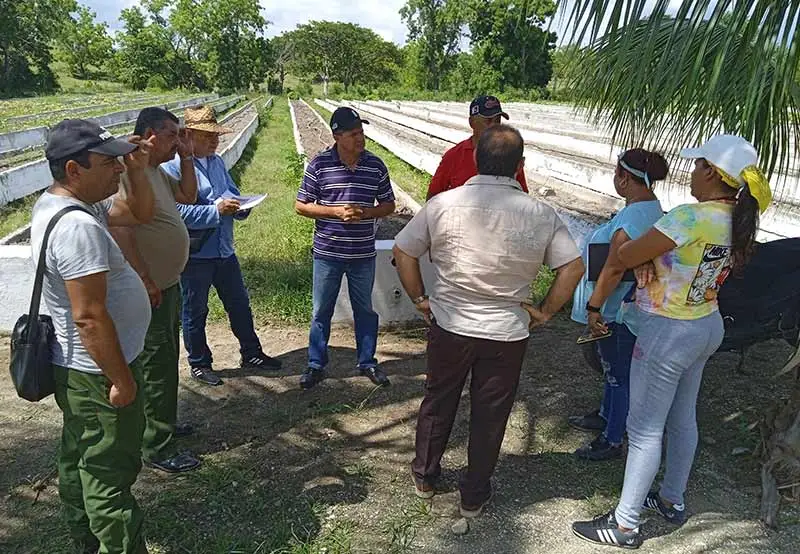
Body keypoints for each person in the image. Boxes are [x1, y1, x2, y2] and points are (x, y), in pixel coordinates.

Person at [572, 135, 772, 548]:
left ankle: (624, 523)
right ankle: (671, 499)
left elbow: (623, 255)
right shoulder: (737, 218)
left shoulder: (690, 217)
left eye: (698, 165)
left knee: (644, 429)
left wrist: (638, 255)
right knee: (683, 417)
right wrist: (650, 258)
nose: (692, 172)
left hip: (668, 332)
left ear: (714, 173)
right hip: (705, 324)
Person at [393, 125, 584, 525]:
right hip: (507, 331)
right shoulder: (540, 214)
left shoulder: (444, 204)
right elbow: (572, 267)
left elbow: (404, 251)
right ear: (520, 166)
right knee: (490, 414)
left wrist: (420, 299)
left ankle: (426, 478)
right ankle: (473, 496)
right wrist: (546, 311)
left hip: (450, 324)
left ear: (477, 159)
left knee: (438, 399)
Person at [33, 119, 155, 553]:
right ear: (74, 170)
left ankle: (84, 537)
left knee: (80, 455)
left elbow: (139, 213)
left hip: (80, 369)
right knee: (109, 470)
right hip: (99, 372)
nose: (117, 168)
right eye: (108, 162)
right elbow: (89, 316)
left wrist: (137, 169)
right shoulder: (77, 227)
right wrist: (121, 379)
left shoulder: (73, 207)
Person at [163, 105, 282, 386]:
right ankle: (199, 363)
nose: (215, 141)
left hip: (223, 249)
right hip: (195, 253)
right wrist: (216, 211)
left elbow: (231, 191)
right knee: (195, 310)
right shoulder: (170, 168)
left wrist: (241, 206)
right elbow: (175, 212)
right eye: (207, 137)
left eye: (216, 136)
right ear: (188, 136)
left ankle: (251, 353)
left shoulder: (216, 162)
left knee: (239, 303)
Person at [109, 107, 201, 474]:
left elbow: (189, 197)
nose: (177, 141)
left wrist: (188, 157)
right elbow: (122, 230)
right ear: (149, 134)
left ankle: (164, 422)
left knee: (165, 359)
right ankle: (157, 444)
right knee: (155, 365)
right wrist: (145, 278)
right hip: (149, 289)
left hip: (167, 284)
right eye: (172, 135)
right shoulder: (129, 174)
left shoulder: (156, 171)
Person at [568, 149, 667, 461]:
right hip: (620, 307)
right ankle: (606, 414)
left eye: (615, 173)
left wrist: (594, 307)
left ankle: (612, 439)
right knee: (611, 367)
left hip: (614, 311)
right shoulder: (648, 209)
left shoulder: (633, 220)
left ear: (624, 178)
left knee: (617, 373)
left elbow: (612, 267)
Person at [295, 107, 396, 390]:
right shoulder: (319, 165)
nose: (360, 138)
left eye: (361, 132)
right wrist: (336, 212)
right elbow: (301, 205)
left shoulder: (375, 165)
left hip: (363, 253)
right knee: (321, 311)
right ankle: (316, 364)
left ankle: (367, 361)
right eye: (353, 134)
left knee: (365, 309)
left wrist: (365, 213)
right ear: (337, 136)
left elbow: (389, 205)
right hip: (328, 253)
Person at [426, 95, 528, 200]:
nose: (494, 126)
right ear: (472, 123)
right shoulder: (454, 156)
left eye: (497, 120)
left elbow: (523, 195)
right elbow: (433, 198)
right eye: (488, 121)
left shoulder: (507, 154)